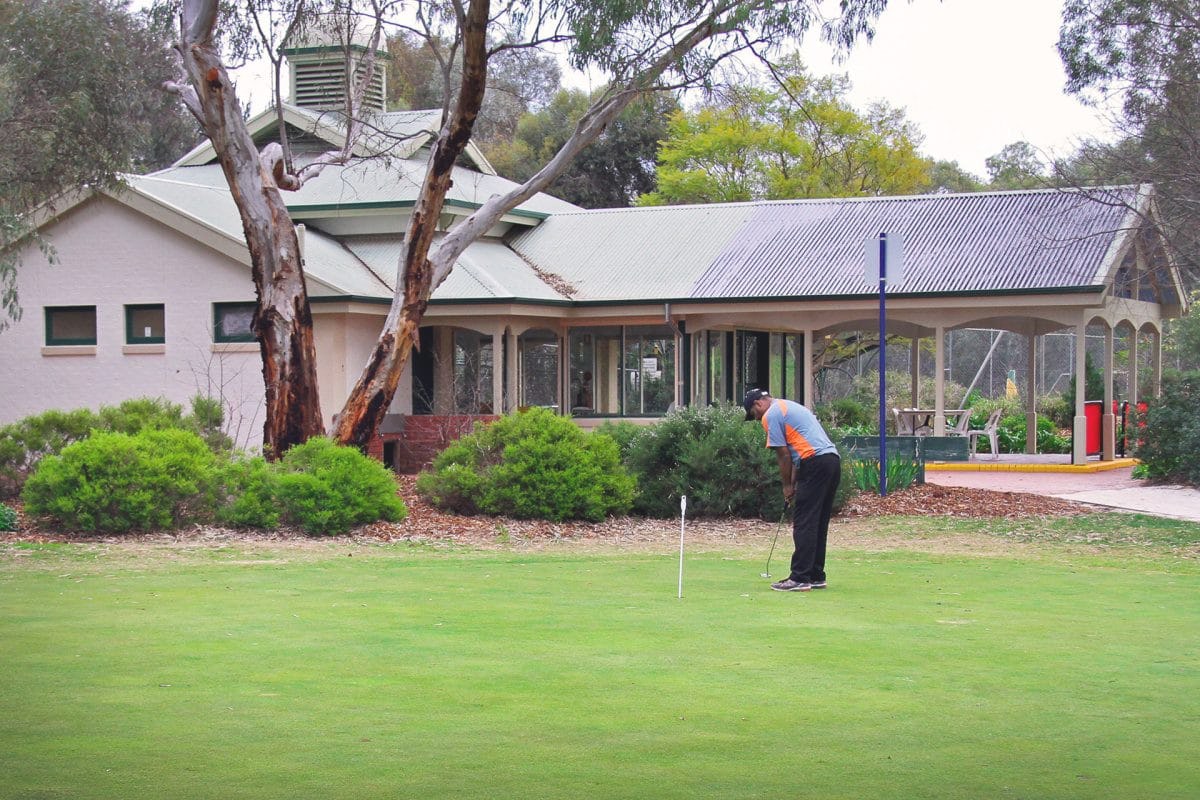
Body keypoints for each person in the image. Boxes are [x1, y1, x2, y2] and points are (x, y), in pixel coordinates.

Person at [744, 388, 841, 592]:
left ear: (758, 404)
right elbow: (797, 456)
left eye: (754, 415)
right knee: (818, 521)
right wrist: (795, 484)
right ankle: (815, 575)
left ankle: (799, 577)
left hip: (814, 462)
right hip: (831, 461)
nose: (757, 420)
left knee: (804, 522)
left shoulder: (771, 415)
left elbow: (784, 455)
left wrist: (787, 486)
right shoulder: (788, 406)